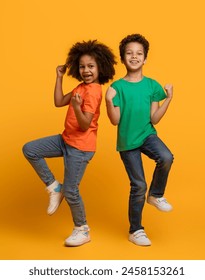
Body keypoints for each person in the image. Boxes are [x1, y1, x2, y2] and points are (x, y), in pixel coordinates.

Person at [23, 40, 116, 246]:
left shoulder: (94, 91)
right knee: (30, 149)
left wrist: (76, 107)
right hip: (66, 139)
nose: (86, 70)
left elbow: (84, 126)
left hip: (80, 148)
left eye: (91, 66)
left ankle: (82, 229)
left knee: (72, 190)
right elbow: (58, 102)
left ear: (101, 67)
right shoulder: (81, 87)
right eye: (82, 66)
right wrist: (58, 78)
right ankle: (54, 187)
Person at [105, 34, 174, 246]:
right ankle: (136, 230)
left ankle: (156, 195)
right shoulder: (117, 87)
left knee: (166, 157)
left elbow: (154, 118)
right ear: (123, 59)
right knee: (138, 185)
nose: (134, 57)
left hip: (147, 135)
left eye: (139, 53)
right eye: (129, 53)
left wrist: (168, 98)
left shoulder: (152, 86)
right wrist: (108, 101)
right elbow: (115, 121)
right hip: (127, 142)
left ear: (145, 59)